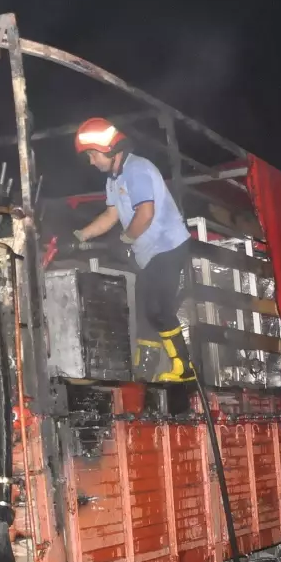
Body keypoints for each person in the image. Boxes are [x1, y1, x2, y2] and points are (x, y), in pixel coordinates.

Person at [70, 117, 194, 383]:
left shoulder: (137, 169)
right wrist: (82, 235)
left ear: (110, 150)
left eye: (92, 155)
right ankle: (145, 369)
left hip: (168, 247)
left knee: (158, 309)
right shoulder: (114, 179)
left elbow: (145, 213)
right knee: (147, 310)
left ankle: (184, 370)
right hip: (149, 253)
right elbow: (111, 214)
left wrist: (125, 240)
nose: (91, 162)